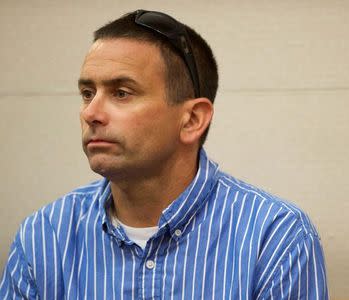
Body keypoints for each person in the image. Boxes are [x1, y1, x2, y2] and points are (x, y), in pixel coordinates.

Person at [0, 10, 328, 299]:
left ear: (192, 119)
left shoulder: (275, 237)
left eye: (121, 93)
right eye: (88, 93)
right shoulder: (45, 236)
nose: (91, 113)